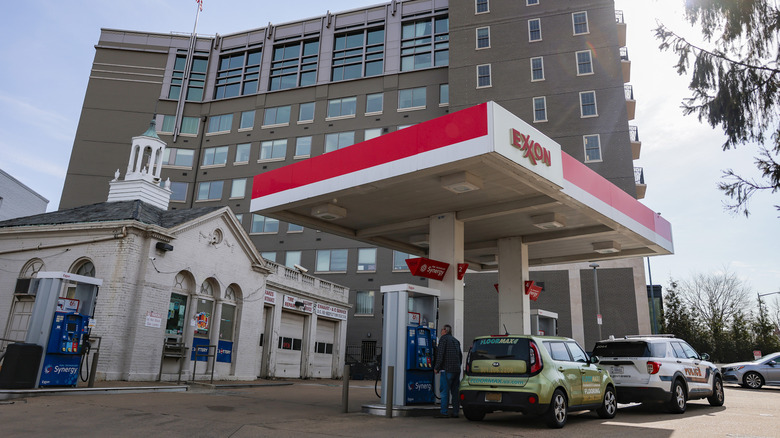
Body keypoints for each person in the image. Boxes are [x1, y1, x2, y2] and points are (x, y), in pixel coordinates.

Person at [434, 324, 462, 418]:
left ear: (445, 331)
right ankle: (455, 412)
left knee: (444, 391)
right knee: (455, 392)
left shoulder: (443, 339)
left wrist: (437, 367)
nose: (441, 331)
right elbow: (460, 356)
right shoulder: (456, 341)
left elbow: (440, 354)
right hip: (456, 370)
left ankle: (444, 412)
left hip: (447, 369)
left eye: (442, 329)